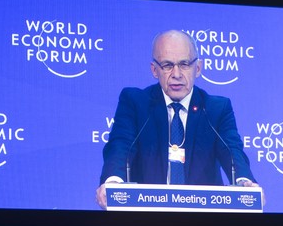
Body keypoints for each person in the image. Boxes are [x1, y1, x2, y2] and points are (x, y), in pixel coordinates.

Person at [96, 29, 258, 208]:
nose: (177, 74)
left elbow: (233, 152)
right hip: (145, 216)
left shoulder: (216, 109)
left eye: (184, 64)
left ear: (198, 68)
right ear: (154, 70)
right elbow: (120, 147)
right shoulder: (135, 102)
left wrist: (245, 182)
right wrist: (113, 181)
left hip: (204, 220)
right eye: (167, 65)